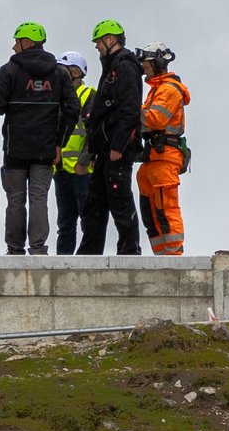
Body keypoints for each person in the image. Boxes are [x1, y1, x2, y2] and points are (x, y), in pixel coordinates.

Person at [0, 21, 77, 256]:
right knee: (39, 199)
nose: (13, 47)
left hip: (15, 150)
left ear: (27, 42)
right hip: (45, 150)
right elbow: (72, 109)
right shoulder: (59, 73)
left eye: (16, 41)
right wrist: (60, 142)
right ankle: (39, 249)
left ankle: (15, 249)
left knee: (16, 201)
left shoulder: (9, 71)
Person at [76, 19, 143, 256]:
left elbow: (130, 110)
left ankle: (129, 251)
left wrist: (118, 145)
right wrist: (95, 150)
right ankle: (88, 253)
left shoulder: (124, 67)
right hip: (104, 151)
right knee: (95, 205)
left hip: (118, 150)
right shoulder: (111, 67)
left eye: (98, 42)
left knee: (120, 201)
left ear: (111, 40)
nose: (96, 47)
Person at [136, 42, 190, 256]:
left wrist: (131, 109)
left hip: (165, 157)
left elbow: (154, 119)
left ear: (158, 63)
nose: (144, 67)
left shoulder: (169, 89)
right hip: (153, 158)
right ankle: (161, 257)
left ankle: (174, 256)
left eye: (147, 63)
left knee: (166, 209)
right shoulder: (156, 90)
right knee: (151, 214)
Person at [52, 51, 95, 254]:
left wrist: (83, 162)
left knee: (88, 220)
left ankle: (87, 260)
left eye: (63, 70)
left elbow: (93, 132)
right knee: (65, 223)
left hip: (82, 171)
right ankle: (63, 262)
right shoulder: (58, 98)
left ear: (76, 72)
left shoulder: (89, 96)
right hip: (61, 171)